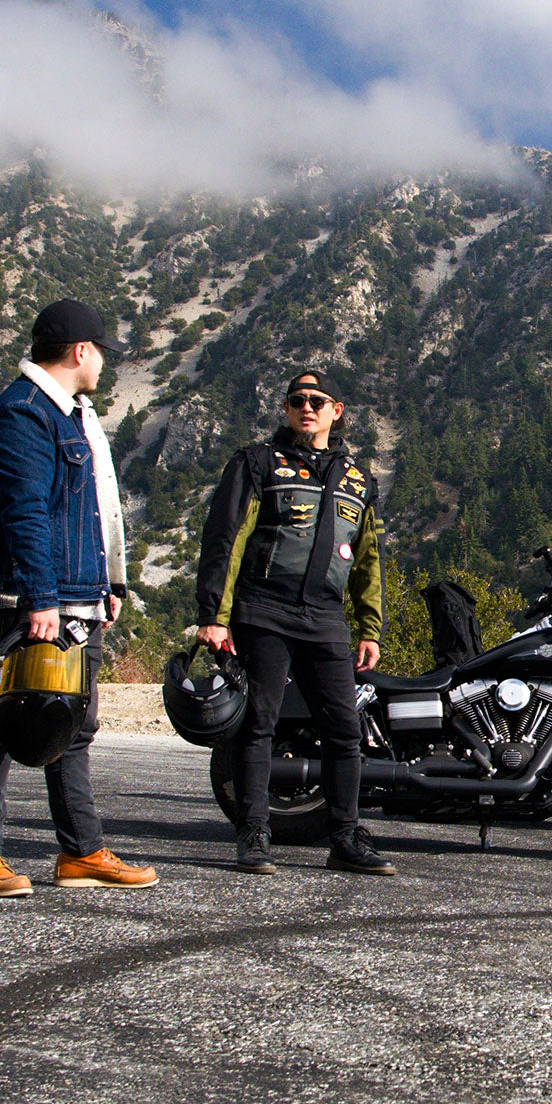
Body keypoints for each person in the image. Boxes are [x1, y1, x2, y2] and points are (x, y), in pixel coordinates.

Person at [0, 299, 158, 897]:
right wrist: (40, 600)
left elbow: (91, 508)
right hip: (33, 603)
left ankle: (81, 853)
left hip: (74, 598)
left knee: (73, 726)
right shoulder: (23, 413)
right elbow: (26, 515)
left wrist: (108, 584)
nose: (105, 366)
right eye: (101, 354)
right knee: (8, 720)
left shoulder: (71, 414)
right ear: (80, 351)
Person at [194, 370, 392, 877]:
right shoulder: (258, 462)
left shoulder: (358, 479)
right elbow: (225, 539)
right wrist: (214, 616)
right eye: (296, 400)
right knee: (259, 723)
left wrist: (370, 628)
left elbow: (368, 559)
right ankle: (254, 832)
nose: (306, 407)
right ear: (285, 408)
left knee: (345, 730)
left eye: (317, 401)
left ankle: (345, 837)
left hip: (325, 618)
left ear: (336, 411)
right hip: (264, 610)